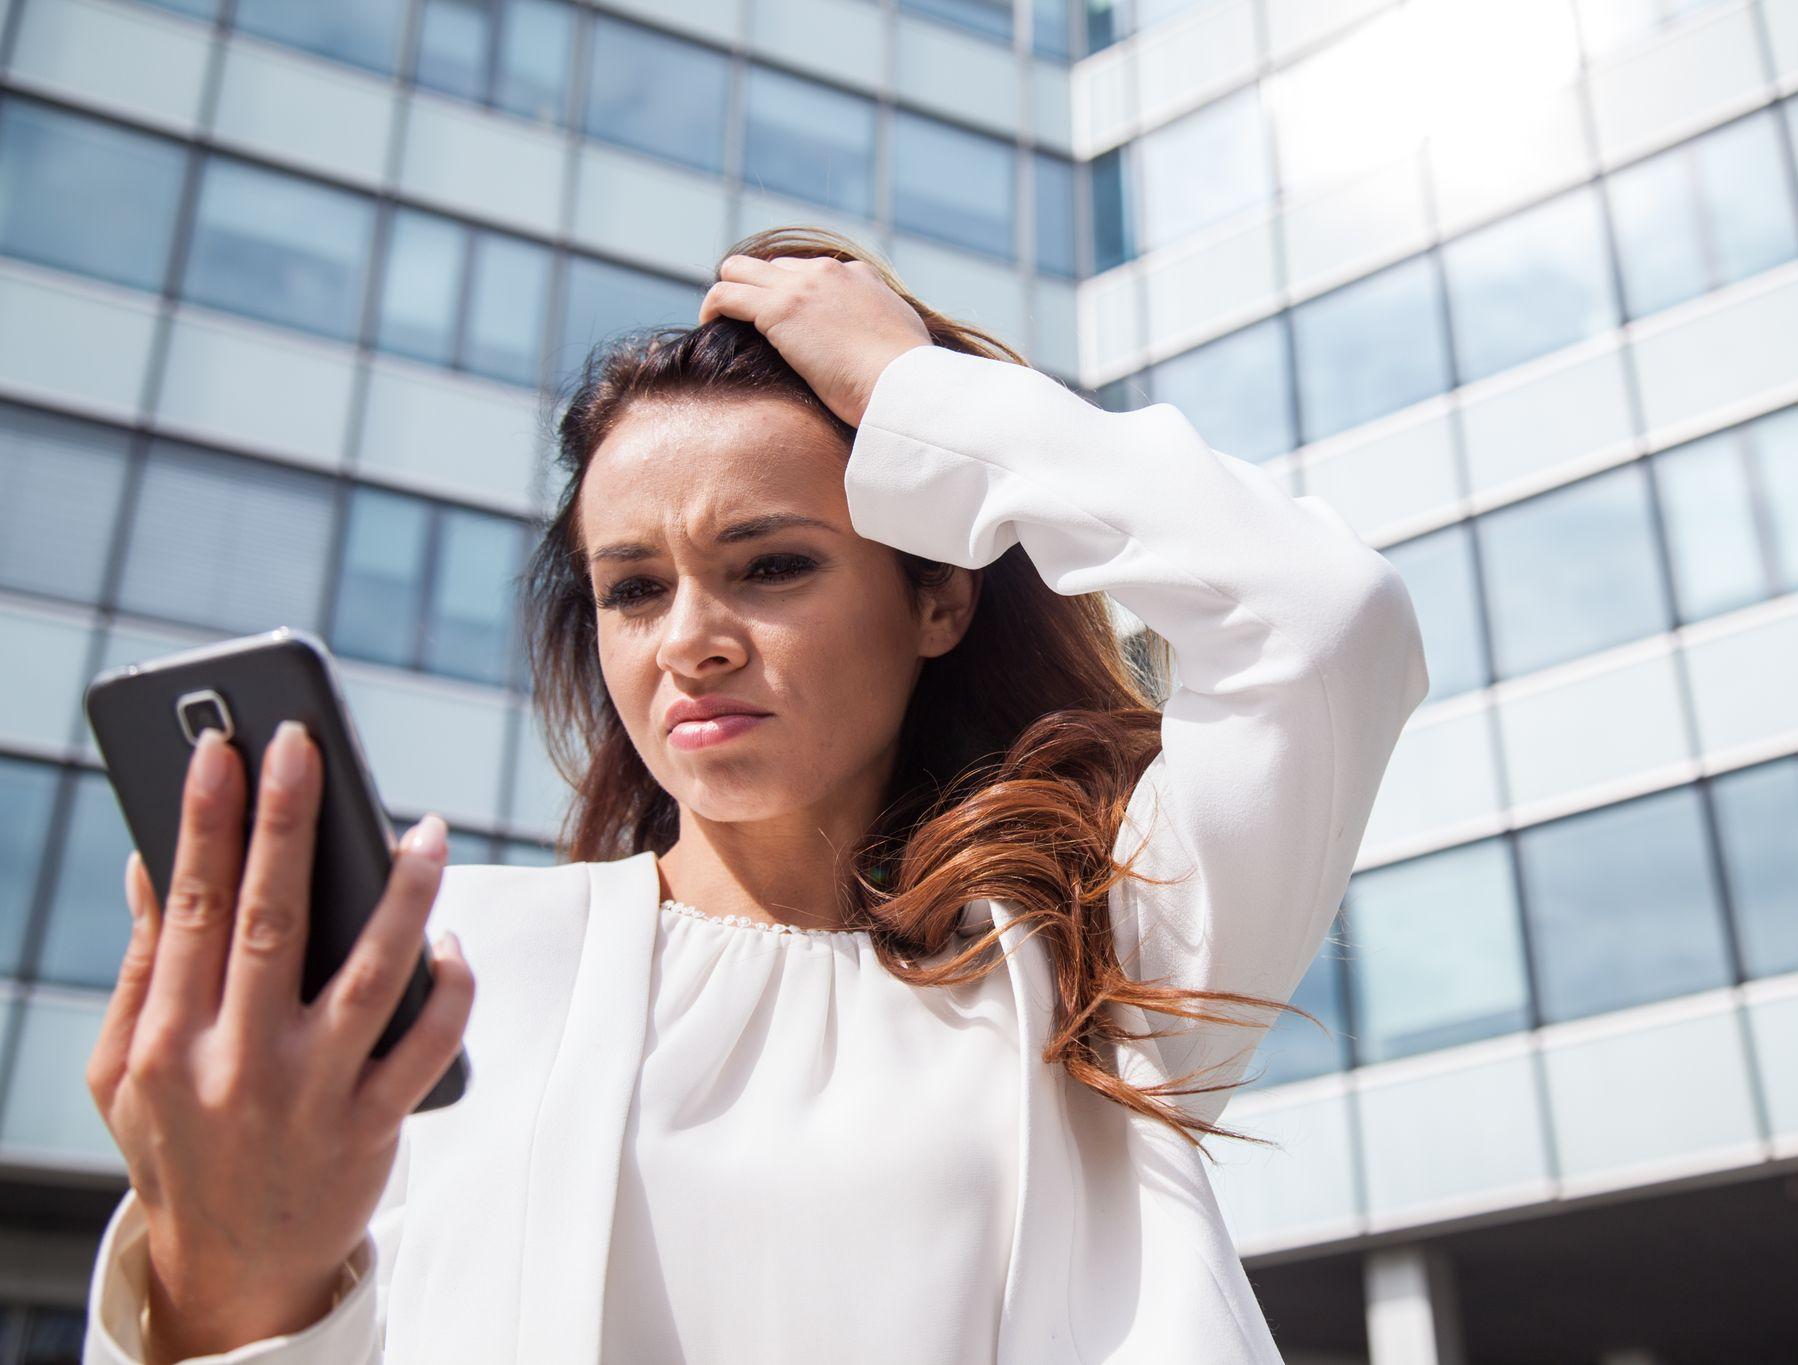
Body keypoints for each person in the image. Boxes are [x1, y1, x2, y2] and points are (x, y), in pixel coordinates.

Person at [80, 226, 1430, 1363]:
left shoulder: (1097, 966)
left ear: (939, 594)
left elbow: (1323, 623)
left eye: (771, 565)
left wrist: (917, 393)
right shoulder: (453, 979)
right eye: (633, 587)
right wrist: (224, 1288)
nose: (690, 640)